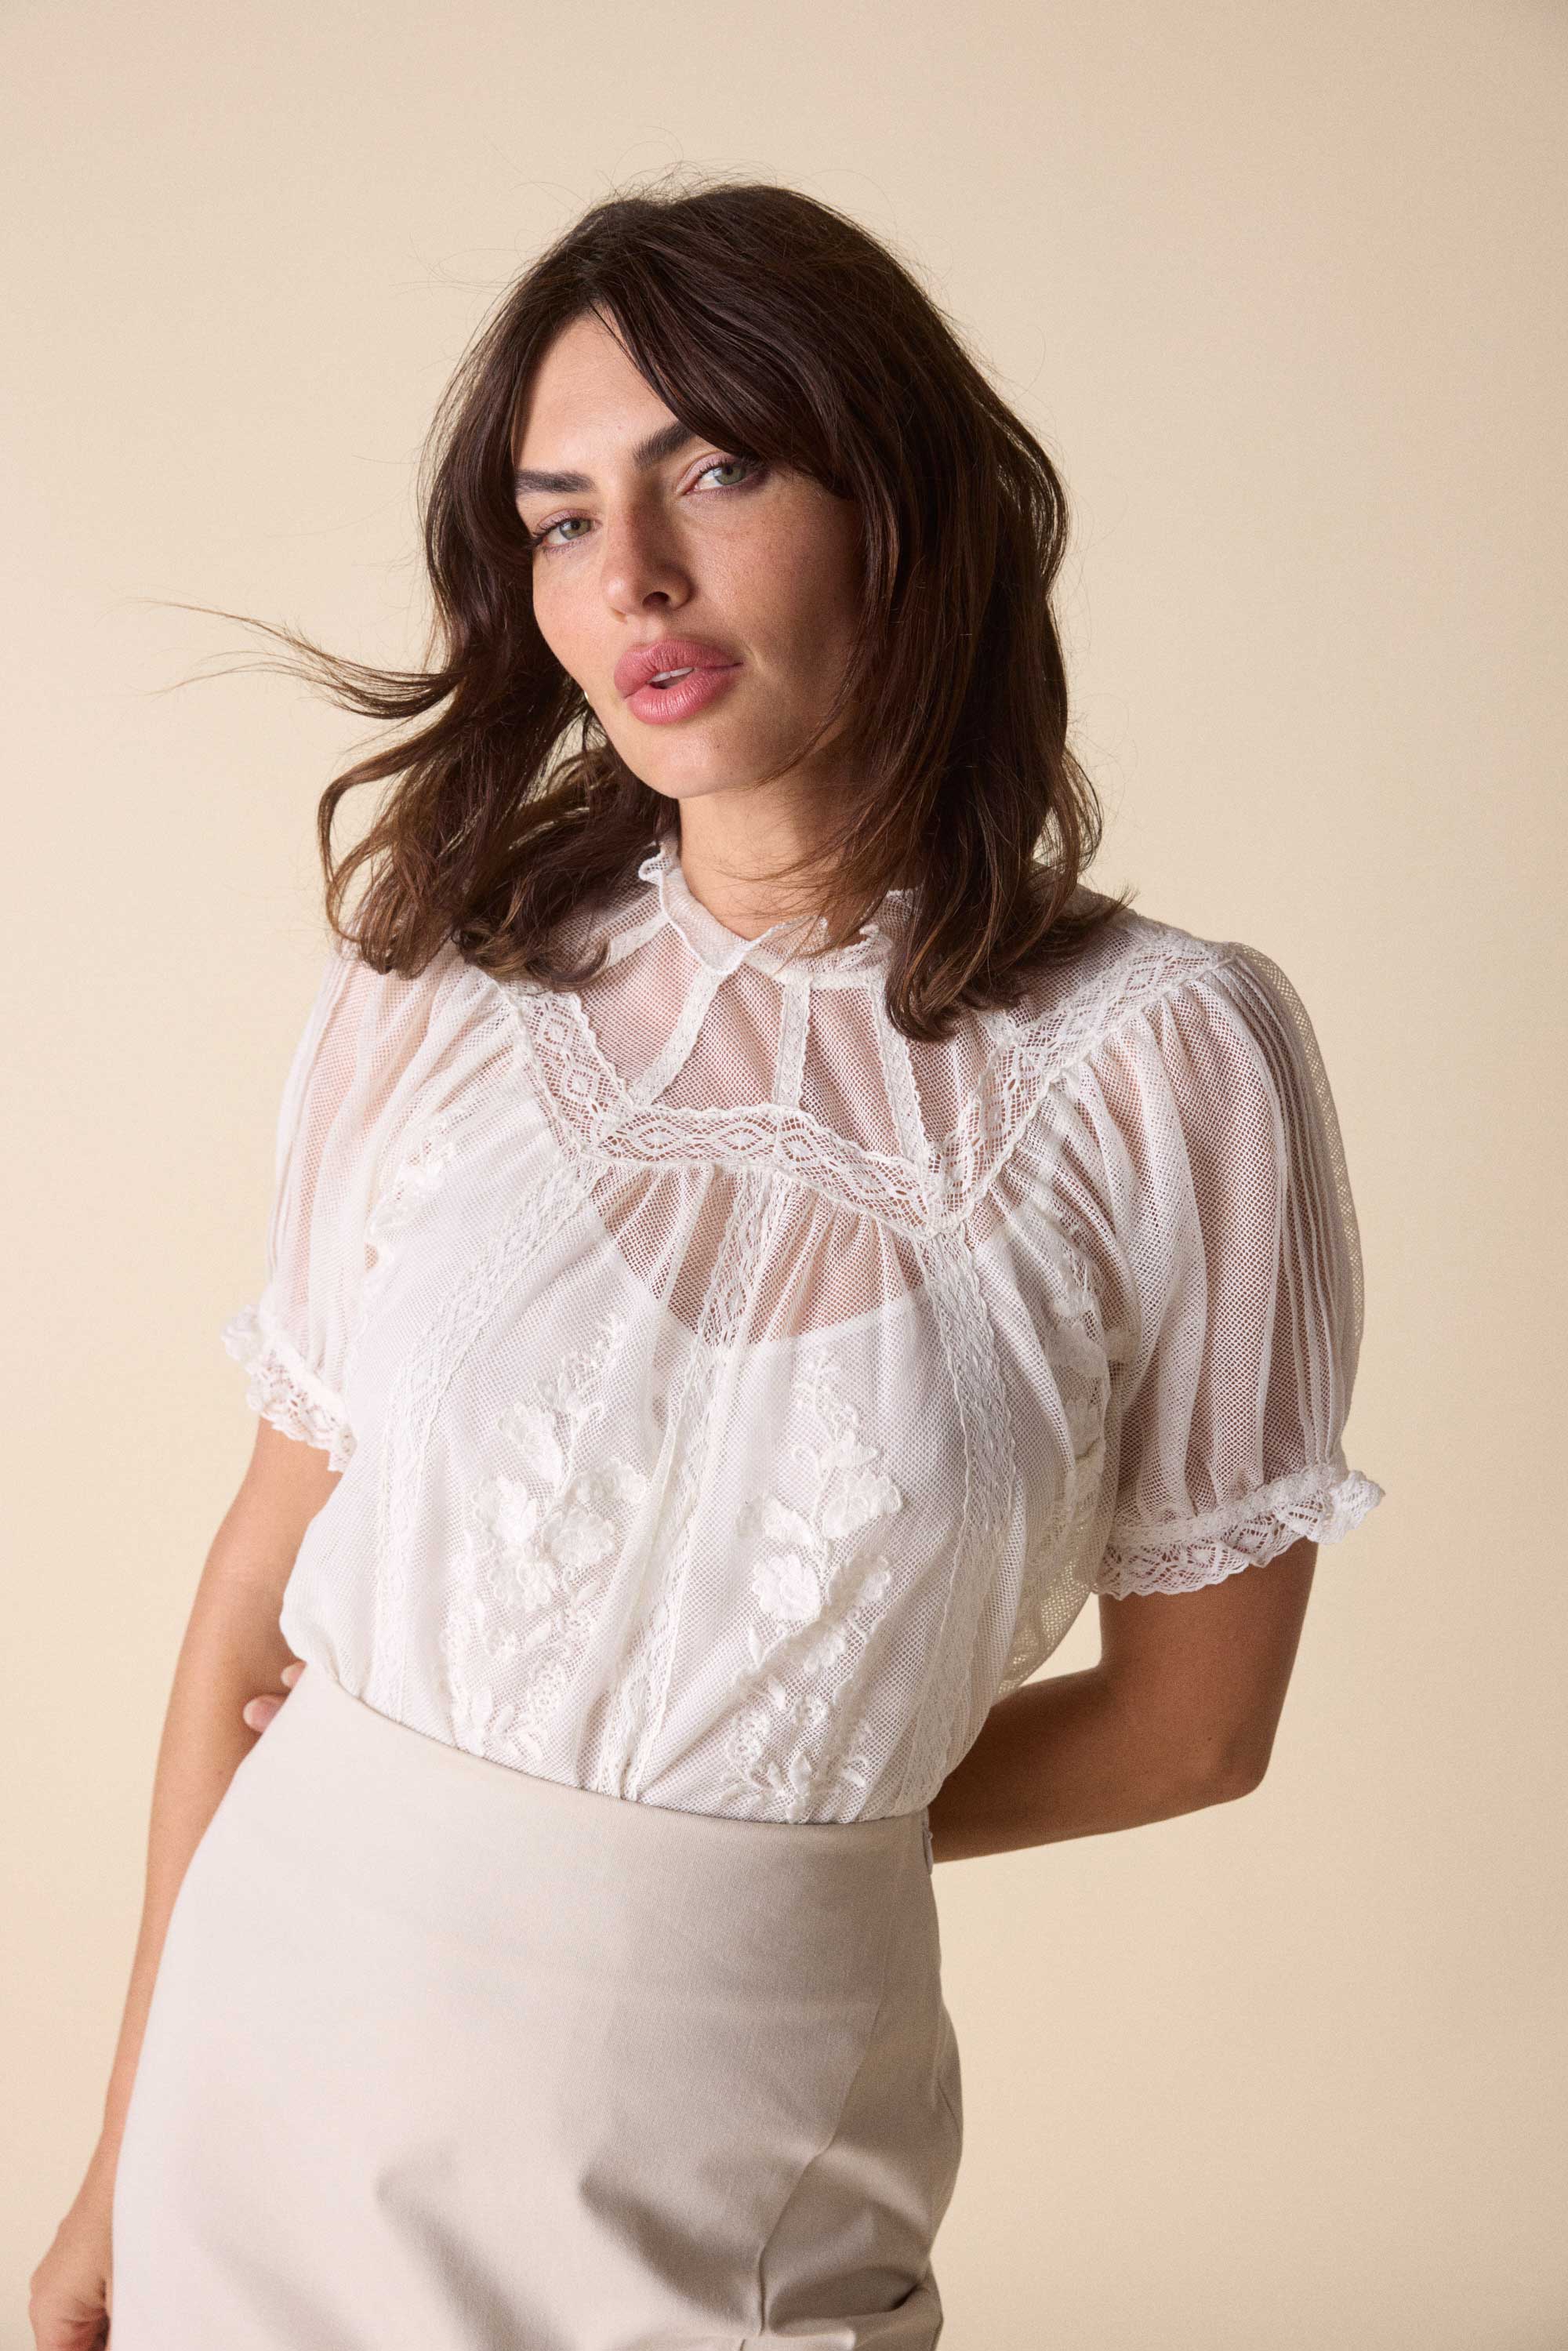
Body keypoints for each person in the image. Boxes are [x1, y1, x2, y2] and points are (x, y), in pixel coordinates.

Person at [31, 174, 1383, 2351]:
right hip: (268, 2071)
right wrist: (115, 2168)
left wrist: (731, 1835)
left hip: (739, 2127)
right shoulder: (448, 983)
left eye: (718, 473)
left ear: (904, 509)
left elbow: (1195, 1729)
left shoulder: (1167, 1060)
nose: (630, 575)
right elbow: (253, 1587)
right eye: (561, 519)